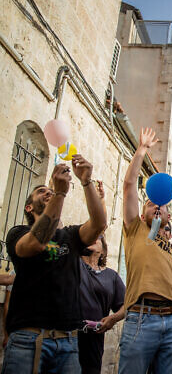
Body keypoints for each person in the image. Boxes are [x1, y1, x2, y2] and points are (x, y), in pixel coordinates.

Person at [4, 155, 107, 373]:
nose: (47, 192)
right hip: (28, 339)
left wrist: (86, 182)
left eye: (49, 190)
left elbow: (98, 225)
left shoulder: (69, 235)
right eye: (41, 191)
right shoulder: (18, 234)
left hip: (68, 341)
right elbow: (36, 243)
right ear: (29, 208)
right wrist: (59, 194)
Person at [118, 128, 172, 374]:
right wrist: (142, 149)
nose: (157, 206)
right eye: (151, 204)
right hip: (142, 317)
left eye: (162, 205)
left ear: (169, 216)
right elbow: (129, 186)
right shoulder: (135, 229)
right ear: (142, 215)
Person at [78, 233, 126, 374]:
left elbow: (126, 305)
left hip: (94, 340)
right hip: (69, 336)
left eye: (98, 236)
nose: (93, 237)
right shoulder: (73, 265)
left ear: (103, 249)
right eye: (90, 234)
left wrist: (113, 318)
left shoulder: (111, 276)